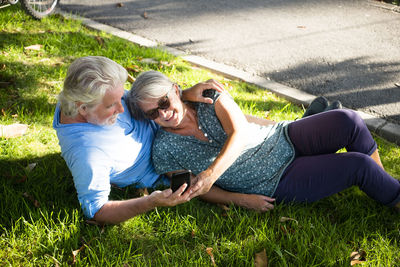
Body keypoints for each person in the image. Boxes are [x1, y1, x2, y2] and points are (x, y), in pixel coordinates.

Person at [127, 70, 400, 211]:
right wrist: (241, 200)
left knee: (348, 120)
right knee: (357, 166)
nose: (163, 113)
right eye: (152, 112)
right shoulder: (163, 150)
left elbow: (241, 132)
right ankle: (391, 194)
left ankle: (382, 184)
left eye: (164, 101)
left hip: (283, 137)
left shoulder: (209, 96)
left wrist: (211, 172)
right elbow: (199, 190)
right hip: (274, 179)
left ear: (176, 89)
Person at [53, 56, 280, 225]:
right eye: (112, 106)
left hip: (168, 120)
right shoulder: (87, 153)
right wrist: (150, 202)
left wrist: (181, 96)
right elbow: (96, 211)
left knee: (213, 113)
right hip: (170, 156)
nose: (122, 108)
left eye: (120, 98)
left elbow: (141, 99)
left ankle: (288, 126)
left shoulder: (88, 91)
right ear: (83, 108)